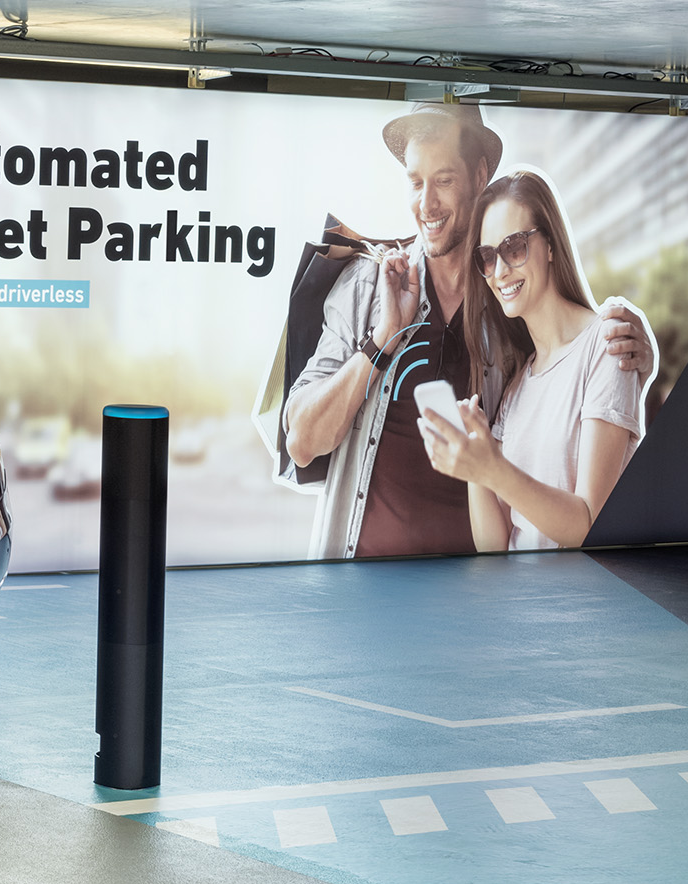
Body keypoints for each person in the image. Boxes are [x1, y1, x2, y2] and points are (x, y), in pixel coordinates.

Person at [279, 99, 651, 560]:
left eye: (444, 180)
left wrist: (634, 355)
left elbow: (569, 355)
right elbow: (301, 442)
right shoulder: (366, 287)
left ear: (479, 176)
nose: (427, 202)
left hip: (477, 605)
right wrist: (381, 341)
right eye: (416, 182)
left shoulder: (510, 302)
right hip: (362, 592)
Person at [420, 172, 650, 551]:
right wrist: (476, 468)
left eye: (514, 248)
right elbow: (493, 547)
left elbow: (588, 525)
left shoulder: (607, 345)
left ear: (550, 246)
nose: (500, 272)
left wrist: (494, 468)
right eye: (487, 257)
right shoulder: (517, 385)